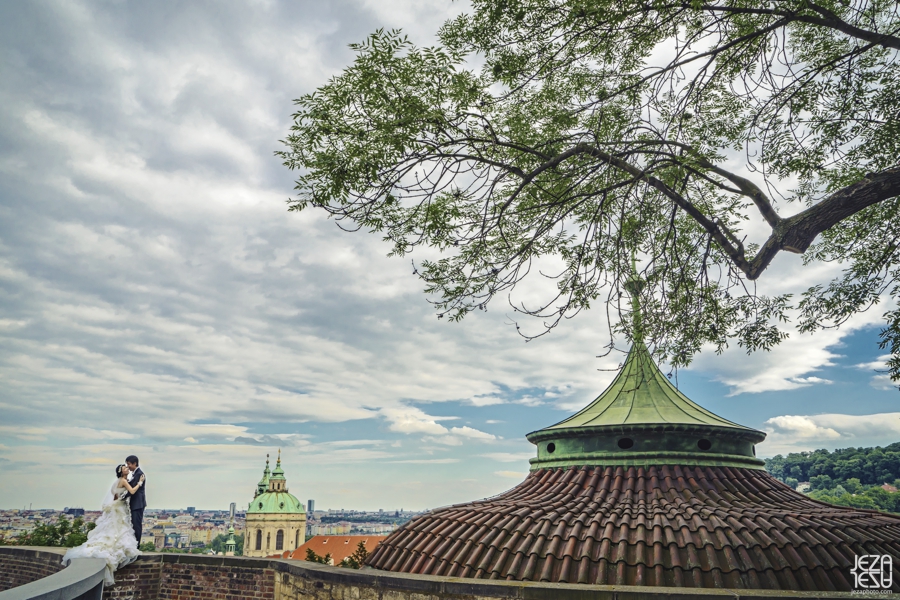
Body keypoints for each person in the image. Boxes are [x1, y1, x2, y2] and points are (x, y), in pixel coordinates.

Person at [62, 464, 145, 586]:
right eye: (125, 468)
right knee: (120, 529)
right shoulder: (123, 480)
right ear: (121, 472)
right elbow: (132, 491)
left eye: (127, 467)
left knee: (117, 529)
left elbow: (114, 494)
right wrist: (140, 482)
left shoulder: (119, 481)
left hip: (118, 507)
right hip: (120, 508)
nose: (127, 468)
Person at [124, 455, 146, 543]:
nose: (127, 466)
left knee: (136, 526)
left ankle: (136, 545)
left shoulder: (139, 474)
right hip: (137, 504)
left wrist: (122, 497)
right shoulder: (137, 474)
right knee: (135, 525)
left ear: (134, 463)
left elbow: (131, 489)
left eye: (128, 464)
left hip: (137, 504)